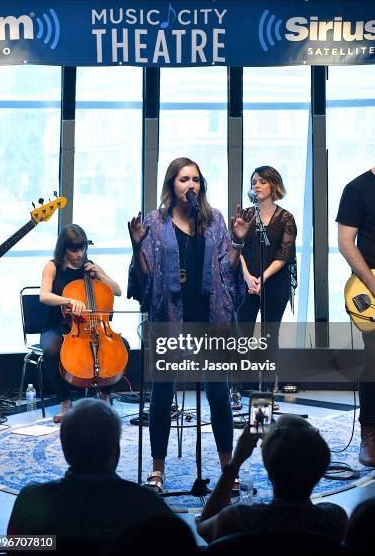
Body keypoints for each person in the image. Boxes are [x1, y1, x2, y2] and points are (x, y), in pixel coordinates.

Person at [128, 157, 253, 493]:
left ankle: (228, 469)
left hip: (208, 320)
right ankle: (157, 470)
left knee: (217, 392)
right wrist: (136, 247)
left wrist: (239, 242)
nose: (191, 185)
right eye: (184, 179)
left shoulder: (214, 222)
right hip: (170, 320)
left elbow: (227, 271)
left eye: (196, 179)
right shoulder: (155, 223)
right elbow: (145, 279)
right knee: (162, 394)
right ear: (172, 186)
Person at [7, 400, 172, 552]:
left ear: (64, 451)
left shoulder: (30, 501)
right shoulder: (149, 508)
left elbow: (11, 549)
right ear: (117, 452)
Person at [337, 119, 375, 466]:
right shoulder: (357, 189)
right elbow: (345, 242)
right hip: (370, 292)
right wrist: (374, 282)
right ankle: (368, 433)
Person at [197, 416, 347, 544]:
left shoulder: (237, 519)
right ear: (320, 473)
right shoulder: (334, 519)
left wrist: (236, 462)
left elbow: (204, 527)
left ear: (268, 471)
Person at [39, 224, 122, 423]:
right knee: (51, 349)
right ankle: (65, 402)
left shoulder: (90, 267)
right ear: (64, 249)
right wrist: (68, 300)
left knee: (121, 347)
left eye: (82, 248)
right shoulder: (52, 266)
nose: (79, 254)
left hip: (91, 326)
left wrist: (101, 276)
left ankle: (104, 396)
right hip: (58, 326)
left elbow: (117, 291)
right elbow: (44, 296)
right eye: (74, 249)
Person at [234, 166, 297, 397]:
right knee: (242, 336)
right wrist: (248, 276)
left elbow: (284, 254)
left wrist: (262, 277)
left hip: (274, 285)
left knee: (270, 338)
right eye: (253, 182)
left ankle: (269, 390)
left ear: (273, 185)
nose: (256, 186)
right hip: (247, 284)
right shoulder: (246, 215)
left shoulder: (286, 217)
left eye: (262, 181)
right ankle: (243, 390)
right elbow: (235, 247)